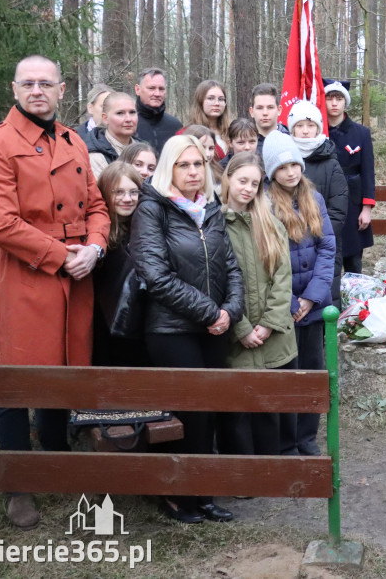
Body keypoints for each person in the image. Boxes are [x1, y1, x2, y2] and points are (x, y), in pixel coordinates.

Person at [0, 55, 110, 530]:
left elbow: (96, 205)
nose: (37, 91)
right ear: (14, 89)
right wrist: (61, 254)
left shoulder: (73, 139)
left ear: (61, 89)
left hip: (77, 274)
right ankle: (17, 482)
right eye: (28, 83)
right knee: (16, 378)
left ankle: (55, 455)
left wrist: (94, 246)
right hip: (28, 276)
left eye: (45, 84)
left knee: (66, 368)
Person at [130, 134, 243, 524]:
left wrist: (230, 310)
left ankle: (204, 494)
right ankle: (178, 495)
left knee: (209, 413)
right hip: (171, 329)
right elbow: (156, 277)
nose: (193, 172)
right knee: (185, 413)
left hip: (213, 327)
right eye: (184, 165)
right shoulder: (153, 208)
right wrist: (210, 312)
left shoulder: (209, 208)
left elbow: (231, 267)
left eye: (198, 164)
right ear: (169, 169)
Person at [218, 153, 297, 456]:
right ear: (228, 179)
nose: (248, 189)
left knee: (269, 405)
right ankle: (241, 474)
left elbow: (282, 277)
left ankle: (269, 469)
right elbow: (217, 283)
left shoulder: (271, 224)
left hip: (271, 334)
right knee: (237, 409)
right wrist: (242, 328)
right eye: (242, 181)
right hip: (236, 333)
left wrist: (267, 324)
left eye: (254, 183)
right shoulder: (215, 225)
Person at [263, 134, 336, 456]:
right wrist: (292, 302)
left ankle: (307, 436)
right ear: (271, 171)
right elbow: (267, 259)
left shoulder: (314, 200)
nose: (291, 172)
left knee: (311, 370)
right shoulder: (264, 205)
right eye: (283, 166)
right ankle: (285, 439)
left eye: (295, 164)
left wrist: (312, 296)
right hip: (283, 306)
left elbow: (327, 248)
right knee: (286, 374)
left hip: (314, 304)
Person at [288, 101, 350, 306]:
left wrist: (314, 236)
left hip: (324, 244)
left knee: (324, 306)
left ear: (318, 128)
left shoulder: (331, 163)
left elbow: (338, 210)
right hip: (289, 246)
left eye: (310, 125)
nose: (305, 131)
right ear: (292, 128)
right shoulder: (284, 162)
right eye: (300, 125)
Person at [92, 162, 146, 366]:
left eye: (133, 192)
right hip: (103, 325)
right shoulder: (98, 235)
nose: (127, 199)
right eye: (119, 192)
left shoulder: (144, 229)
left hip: (137, 325)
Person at [324, 79, 374, 274]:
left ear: (345, 102)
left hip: (353, 203)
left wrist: (367, 208)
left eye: (339, 98)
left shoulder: (361, 133)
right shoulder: (316, 132)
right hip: (326, 201)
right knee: (327, 259)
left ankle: (355, 301)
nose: (334, 103)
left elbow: (368, 172)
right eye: (329, 98)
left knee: (353, 261)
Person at [85, 92, 140, 178]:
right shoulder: (96, 157)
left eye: (132, 112)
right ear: (105, 118)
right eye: (120, 113)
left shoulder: (143, 149)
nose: (128, 119)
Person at [134, 67, 182, 151]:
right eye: (151, 88)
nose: (157, 94)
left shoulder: (175, 126)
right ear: (138, 89)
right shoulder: (128, 123)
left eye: (161, 89)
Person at [185, 79, 232, 160]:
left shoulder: (232, 131)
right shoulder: (187, 134)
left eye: (221, 99)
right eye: (211, 98)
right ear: (200, 101)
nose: (217, 103)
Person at [183, 124, 223, 197]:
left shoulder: (219, 171)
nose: (207, 154)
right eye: (202, 147)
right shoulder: (181, 175)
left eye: (211, 148)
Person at [248, 82, 287, 157]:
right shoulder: (244, 145)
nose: (265, 113)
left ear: (279, 110)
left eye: (270, 107)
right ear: (251, 111)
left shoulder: (291, 140)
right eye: (259, 108)